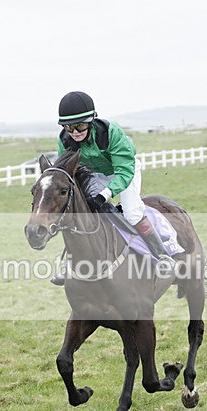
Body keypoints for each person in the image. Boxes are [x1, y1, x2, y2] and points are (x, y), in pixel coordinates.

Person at [50, 91, 176, 285]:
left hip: (124, 170)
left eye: (80, 125)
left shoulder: (110, 133)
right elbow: (68, 172)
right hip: (95, 173)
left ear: (91, 120)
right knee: (79, 213)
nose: (75, 132)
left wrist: (105, 195)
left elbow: (124, 171)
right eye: (69, 127)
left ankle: (162, 256)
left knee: (132, 212)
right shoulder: (64, 140)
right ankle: (68, 260)